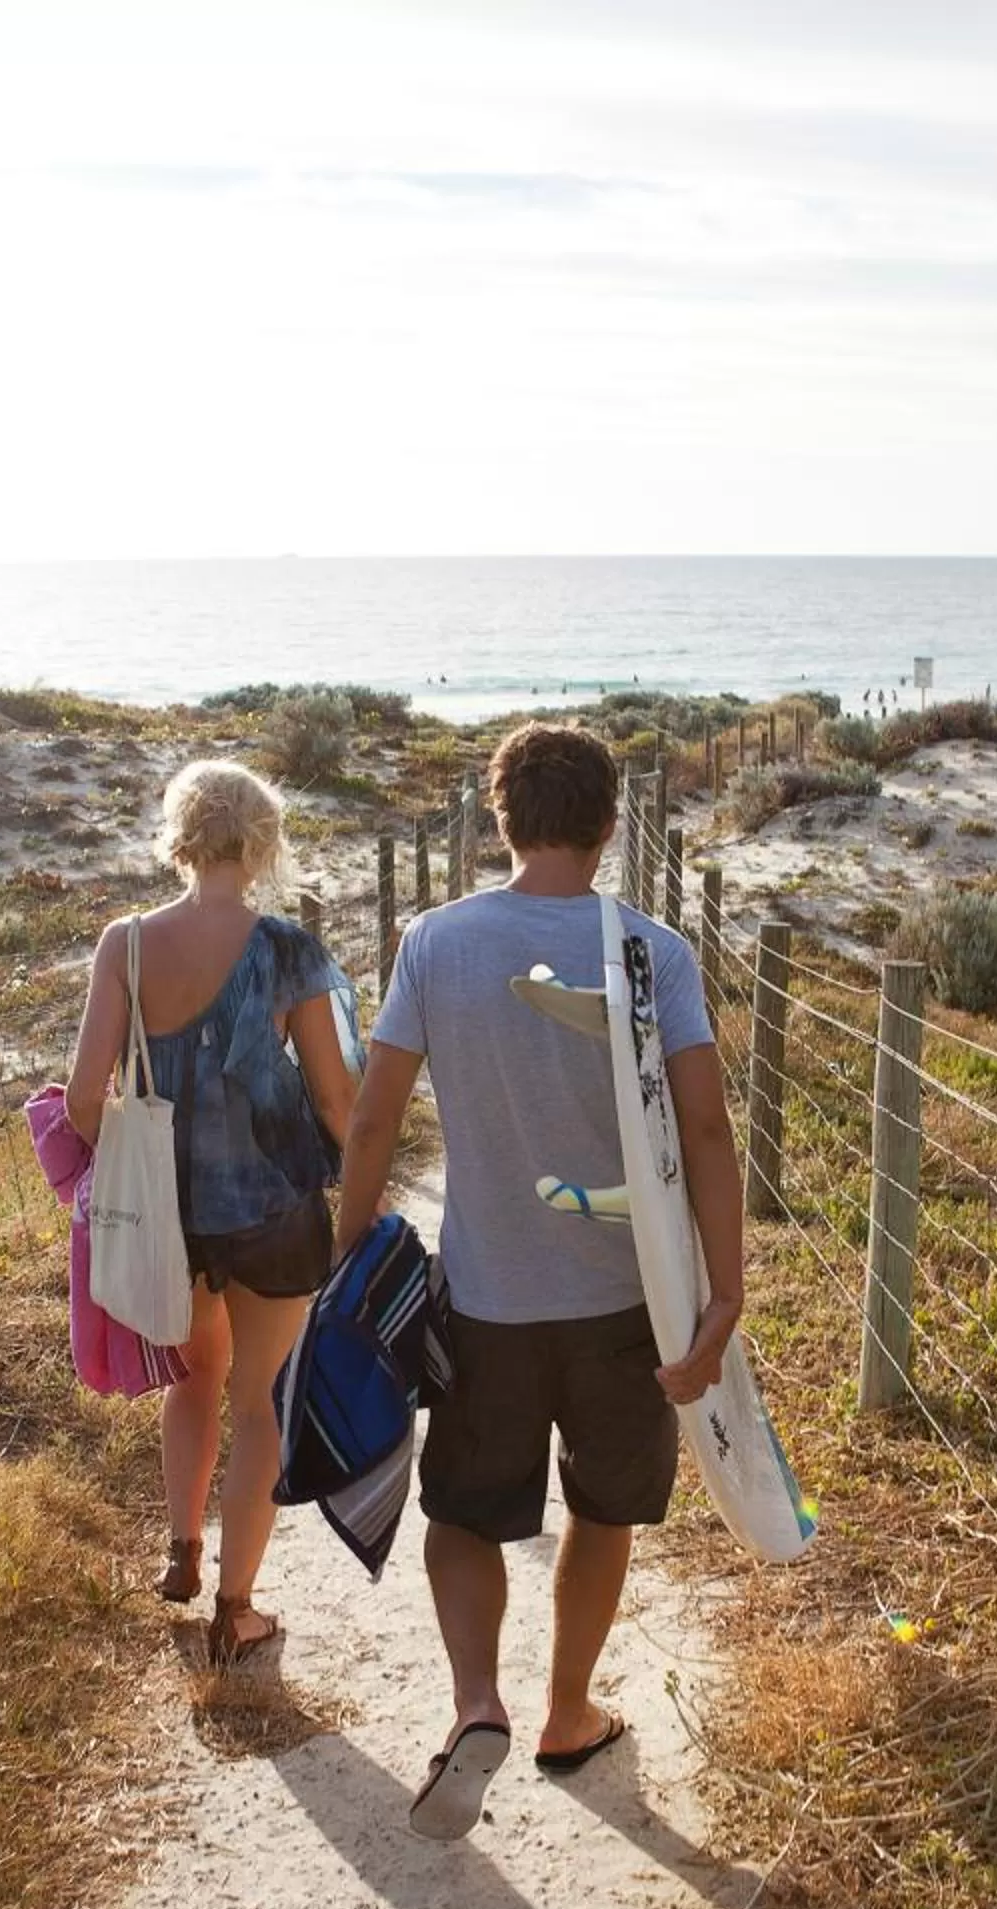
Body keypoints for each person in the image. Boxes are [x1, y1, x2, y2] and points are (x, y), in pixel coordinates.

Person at [332, 723, 745, 1839]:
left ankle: (478, 1701)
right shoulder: (656, 951)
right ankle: (568, 1711)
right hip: (631, 1302)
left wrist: (349, 1244)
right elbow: (706, 1129)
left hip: (485, 1299)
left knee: (465, 1510)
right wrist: (724, 1293)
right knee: (604, 1507)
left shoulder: (438, 941)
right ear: (612, 825)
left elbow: (375, 1114)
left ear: (500, 817)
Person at [65, 760, 358, 1664]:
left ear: (180, 836)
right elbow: (338, 1102)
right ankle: (238, 1609)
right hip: (272, 1211)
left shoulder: (128, 944)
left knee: (193, 1380)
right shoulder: (289, 950)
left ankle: (182, 1553)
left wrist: (142, 1162)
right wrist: (362, 1188)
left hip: (168, 1220)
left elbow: (84, 1100)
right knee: (262, 1405)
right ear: (263, 841)